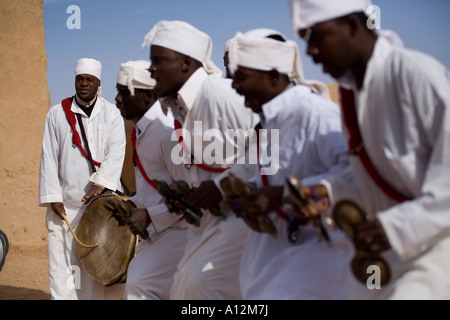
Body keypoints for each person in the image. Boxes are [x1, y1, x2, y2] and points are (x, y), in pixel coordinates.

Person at [288, 0, 450, 299]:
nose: (310, 51)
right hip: (383, 254)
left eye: (316, 36)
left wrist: (394, 227)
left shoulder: (415, 74)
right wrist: (328, 191)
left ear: (350, 25)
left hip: (435, 250)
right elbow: (372, 175)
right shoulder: (355, 93)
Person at [216, 28, 358, 299]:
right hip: (273, 252)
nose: (234, 86)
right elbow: (272, 175)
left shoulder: (316, 114)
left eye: (241, 77)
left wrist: (285, 196)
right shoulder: (271, 120)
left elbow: (355, 174)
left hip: (319, 255)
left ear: (272, 76)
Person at [141, 20, 259, 299]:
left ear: (184, 63)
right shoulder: (181, 108)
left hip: (242, 220)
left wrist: (221, 187)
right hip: (205, 222)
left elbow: (271, 146)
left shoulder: (221, 95)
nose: (151, 69)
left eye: (158, 60)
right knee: (182, 290)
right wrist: (190, 196)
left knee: (202, 288)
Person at [38, 58, 126, 300]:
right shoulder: (57, 114)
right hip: (66, 206)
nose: (84, 83)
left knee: (100, 265)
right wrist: (53, 197)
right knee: (63, 266)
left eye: (89, 79)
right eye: (80, 79)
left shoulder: (112, 114)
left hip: (100, 205)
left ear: (98, 83)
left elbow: (116, 152)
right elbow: (49, 157)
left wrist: (101, 182)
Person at [114, 60, 188, 299]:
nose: (117, 99)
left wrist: (149, 215)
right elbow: (157, 186)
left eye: (124, 93)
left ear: (147, 96)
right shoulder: (141, 129)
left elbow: (191, 193)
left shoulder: (167, 131)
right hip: (156, 234)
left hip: (179, 233)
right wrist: (133, 203)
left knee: (139, 285)